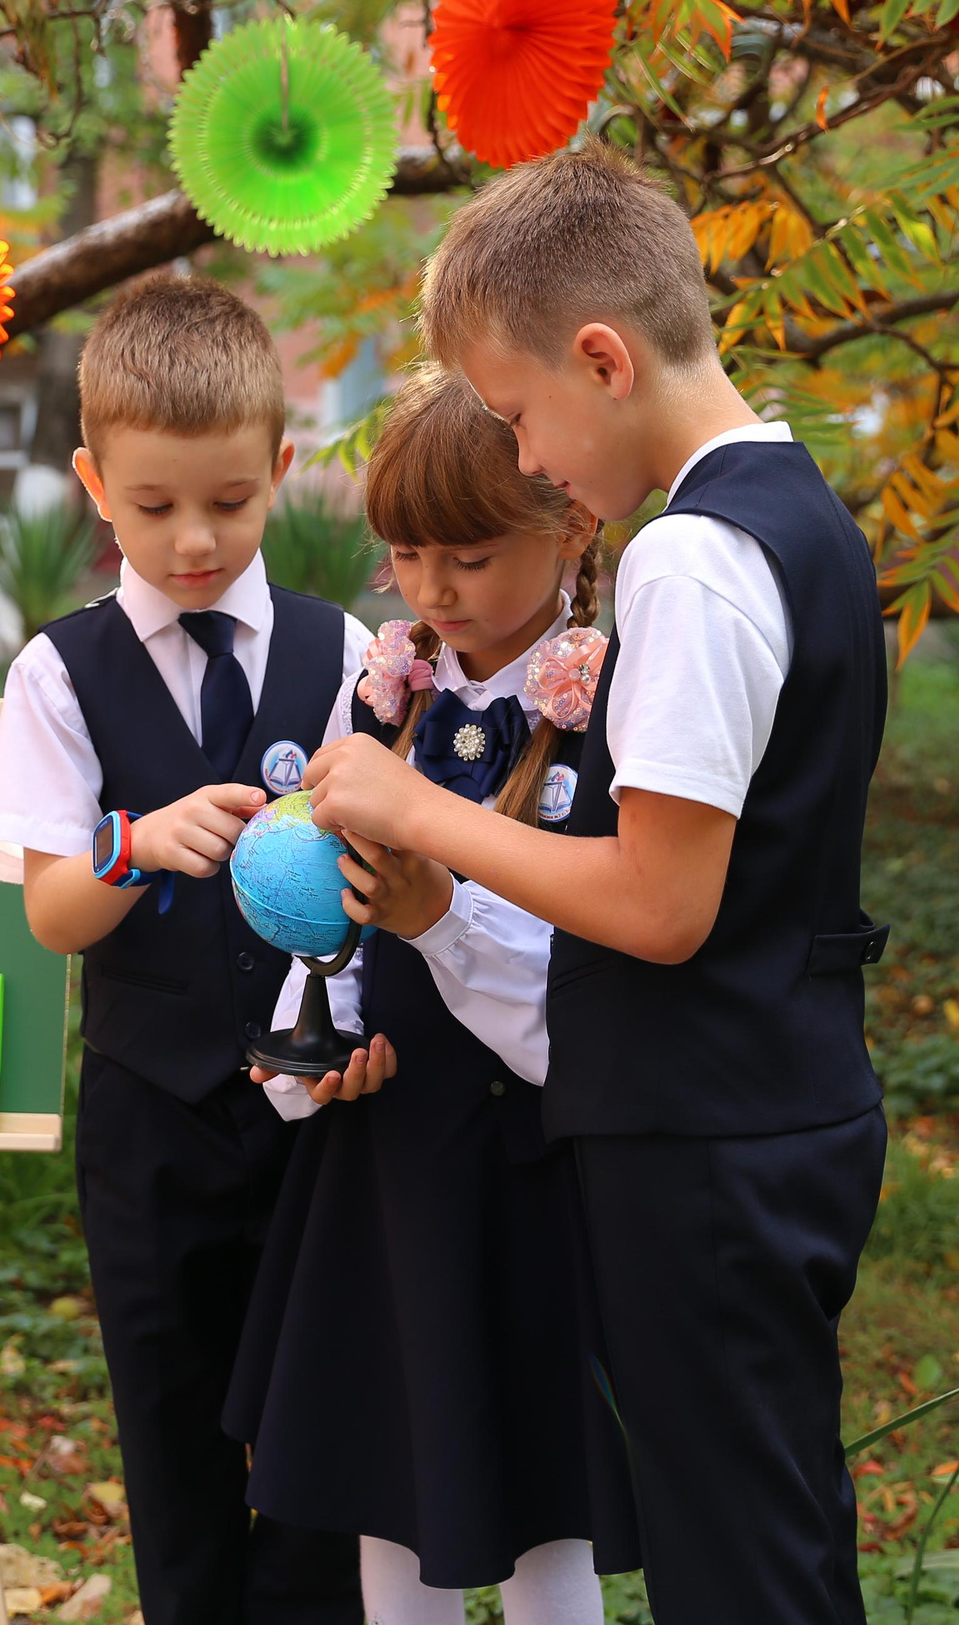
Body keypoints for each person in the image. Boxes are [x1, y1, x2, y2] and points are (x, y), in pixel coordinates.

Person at [300, 145, 892, 1624]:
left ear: (604, 358)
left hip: (702, 1133)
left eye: (518, 415)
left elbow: (659, 899)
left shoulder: (688, 560)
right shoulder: (797, 508)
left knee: (732, 1564)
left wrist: (416, 808)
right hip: (774, 1097)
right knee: (776, 1534)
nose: (533, 459)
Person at [0, 274, 373, 1625]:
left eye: (229, 500)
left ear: (280, 465)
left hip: (321, 1116)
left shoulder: (348, 654)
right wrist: (131, 844)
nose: (194, 539)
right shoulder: (59, 673)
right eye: (153, 507)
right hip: (152, 1123)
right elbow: (51, 911)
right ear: (94, 481)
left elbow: (399, 883)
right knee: (175, 1435)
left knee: (326, 1440)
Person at [222, 368, 640, 1625]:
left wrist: (437, 913)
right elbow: (333, 911)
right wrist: (316, 1046)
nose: (432, 588)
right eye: (404, 552)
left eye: (467, 551)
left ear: (569, 524)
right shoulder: (388, 690)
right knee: (388, 1483)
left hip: (530, 1169)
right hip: (392, 1160)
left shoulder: (610, 708)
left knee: (539, 1505)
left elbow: (583, 1019)